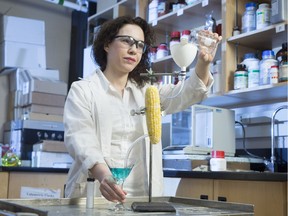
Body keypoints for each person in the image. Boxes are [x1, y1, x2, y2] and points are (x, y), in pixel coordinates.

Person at [63, 15, 222, 203]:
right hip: (97, 192)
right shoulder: (83, 90)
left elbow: (185, 94)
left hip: (142, 197)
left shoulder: (147, 90)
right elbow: (80, 138)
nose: (133, 50)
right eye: (126, 41)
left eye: (139, 45)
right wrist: (104, 175)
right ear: (106, 44)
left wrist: (203, 63)